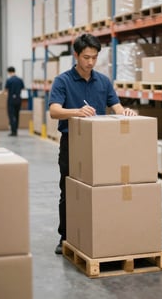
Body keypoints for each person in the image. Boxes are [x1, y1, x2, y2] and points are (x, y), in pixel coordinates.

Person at [49, 33, 136, 255]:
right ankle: (65, 236)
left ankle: (99, 233)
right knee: (68, 191)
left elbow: (115, 106)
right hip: (73, 144)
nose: (90, 62)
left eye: (94, 58)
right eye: (86, 57)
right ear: (76, 55)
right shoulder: (63, 81)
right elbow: (54, 111)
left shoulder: (103, 81)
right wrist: (76, 112)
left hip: (100, 144)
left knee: (100, 190)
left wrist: (124, 111)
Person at [4, 66, 25, 136]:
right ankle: (16, 129)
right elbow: (22, 88)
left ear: (9, 72)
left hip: (11, 100)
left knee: (11, 115)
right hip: (18, 100)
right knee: (17, 115)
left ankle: (13, 131)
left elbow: (6, 90)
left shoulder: (9, 80)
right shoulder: (20, 80)